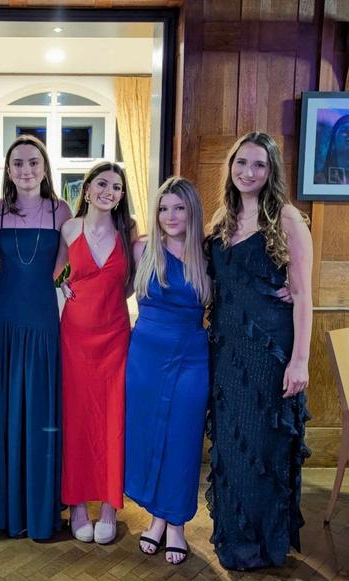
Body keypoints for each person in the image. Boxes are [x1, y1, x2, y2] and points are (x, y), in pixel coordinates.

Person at [206, 131, 313, 570]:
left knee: (263, 447)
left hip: (270, 353)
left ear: (271, 172)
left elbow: (303, 296)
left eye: (259, 165)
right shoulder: (222, 218)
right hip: (226, 352)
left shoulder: (286, 218)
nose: (248, 172)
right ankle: (234, 538)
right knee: (231, 447)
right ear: (230, 167)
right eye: (241, 162)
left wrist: (300, 360)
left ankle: (263, 546)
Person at [0, 135, 72, 540]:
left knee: (38, 411)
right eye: (18, 163)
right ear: (8, 169)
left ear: (45, 167)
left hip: (42, 319)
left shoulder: (61, 211)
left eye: (33, 162)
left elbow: (63, 269)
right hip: (1, 318)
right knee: (2, 409)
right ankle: (2, 509)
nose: (26, 170)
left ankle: (37, 508)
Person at [124, 177, 211, 565]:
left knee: (182, 439)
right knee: (147, 435)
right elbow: (107, 284)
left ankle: (176, 523)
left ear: (192, 211)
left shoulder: (209, 255)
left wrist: (285, 290)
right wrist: (66, 286)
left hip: (191, 357)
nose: (170, 216)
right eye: (163, 208)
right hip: (145, 357)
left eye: (178, 208)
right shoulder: (142, 248)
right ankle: (157, 518)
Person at [58, 162, 135, 544]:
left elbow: (132, 283)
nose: (109, 192)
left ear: (121, 196)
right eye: (102, 184)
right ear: (86, 189)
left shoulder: (129, 231)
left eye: (116, 187)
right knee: (76, 419)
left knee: (112, 420)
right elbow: (56, 271)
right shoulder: (69, 228)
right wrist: (63, 284)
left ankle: (108, 505)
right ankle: (76, 505)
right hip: (74, 336)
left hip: (115, 338)